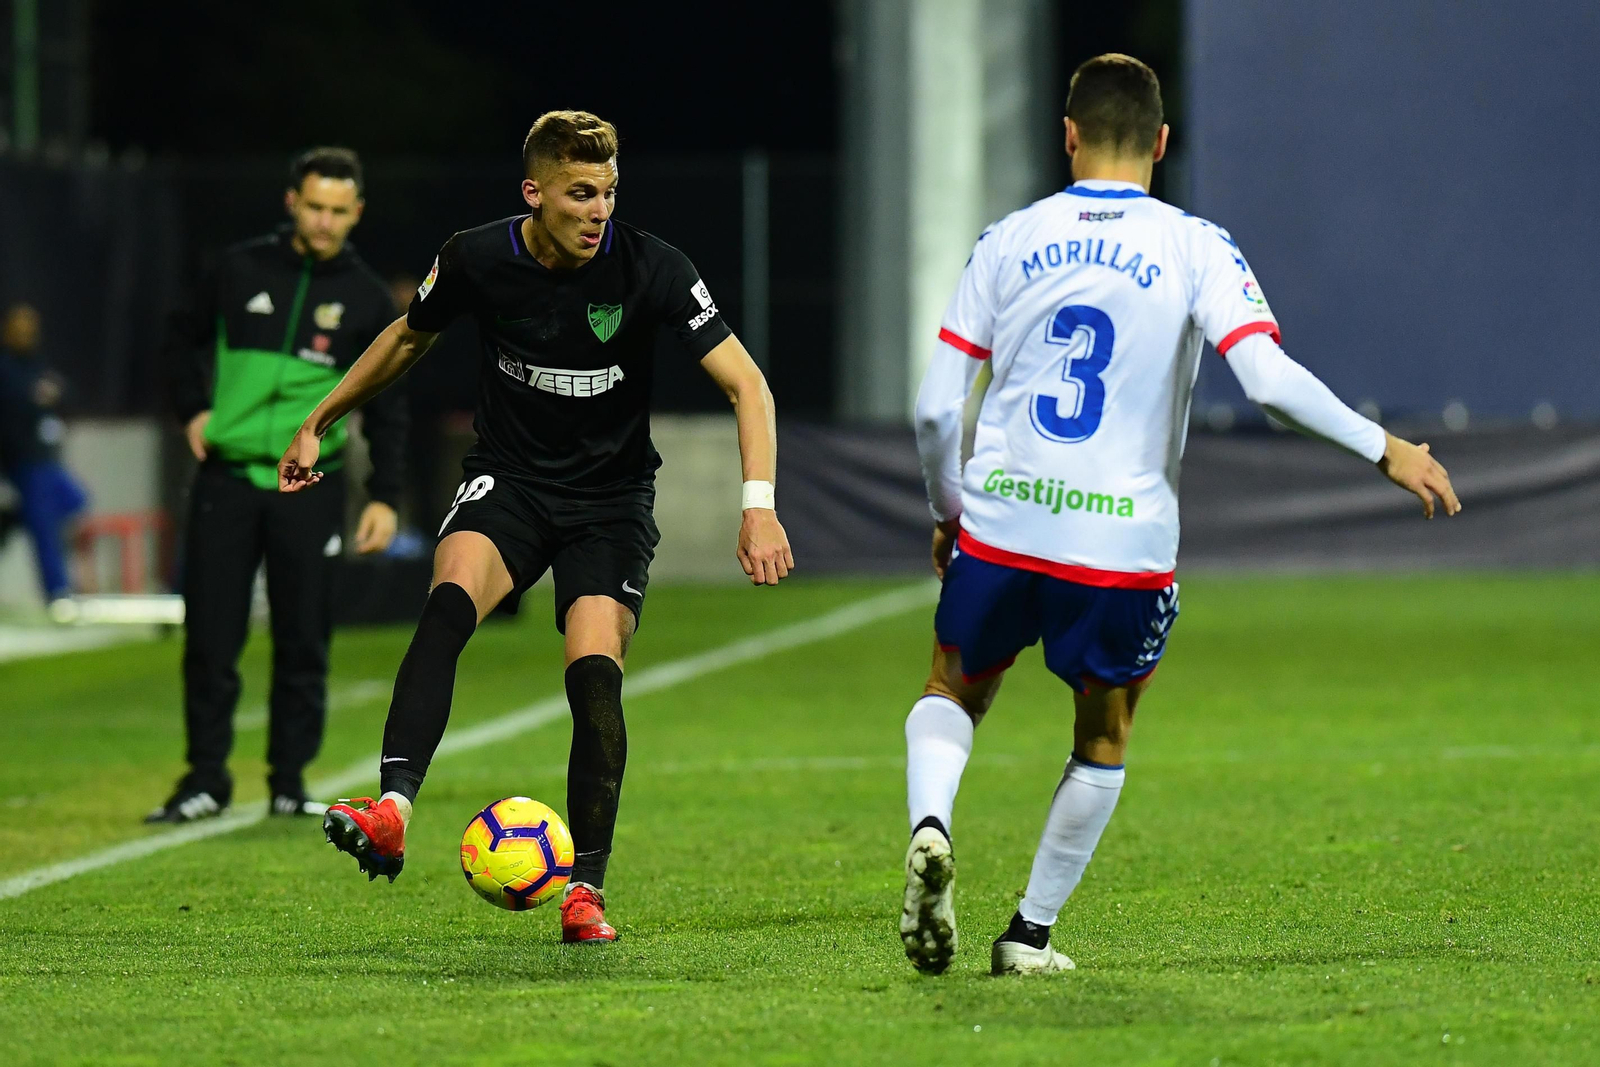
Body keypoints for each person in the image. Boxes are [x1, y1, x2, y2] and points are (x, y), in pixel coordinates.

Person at [898, 54, 1461, 977]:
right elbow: (1267, 381)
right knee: (1103, 733)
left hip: (1002, 525)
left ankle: (931, 825)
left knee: (952, 688)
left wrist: (948, 510)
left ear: (1068, 135)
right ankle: (1028, 935)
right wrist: (1385, 447)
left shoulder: (1006, 239)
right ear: (1162, 142)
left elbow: (933, 411)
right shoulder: (1197, 245)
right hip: (1121, 543)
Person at [277, 111, 793, 943]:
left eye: (609, 192)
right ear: (534, 193)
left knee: (593, 670)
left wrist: (758, 504)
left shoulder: (653, 266)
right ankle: (393, 810)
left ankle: (585, 889)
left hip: (609, 501)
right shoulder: (477, 257)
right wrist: (321, 418)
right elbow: (407, 340)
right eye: (581, 193)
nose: (599, 211)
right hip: (511, 482)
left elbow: (749, 385)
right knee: (448, 600)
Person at [150, 147, 409, 824]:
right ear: (292, 202)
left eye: (338, 210)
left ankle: (289, 782)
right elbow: (178, 336)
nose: (324, 221)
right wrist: (193, 409)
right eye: (314, 206)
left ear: (356, 212)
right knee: (211, 638)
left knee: (304, 637)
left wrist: (385, 494)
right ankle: (205, 779)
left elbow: (388, 404)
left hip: (312, 488)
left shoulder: (367, 298)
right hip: (229, 477)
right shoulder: (238, 269)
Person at [0, 302, 88, 606]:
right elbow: (16, 405)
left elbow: (64, 391)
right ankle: (57, 592)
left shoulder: (37, 363)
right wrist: (35, 398)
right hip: (23, 458)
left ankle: (11, 518)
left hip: (46, 456)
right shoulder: (5, 368)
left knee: (75, 500)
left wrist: (53, 394)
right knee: (45, 526)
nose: (26, 335)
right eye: (20, 329)